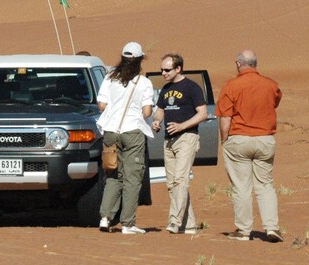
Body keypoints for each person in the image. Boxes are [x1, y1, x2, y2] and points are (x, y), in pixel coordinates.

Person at [219, 49, 284, 242]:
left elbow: (225, 118)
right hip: (265, 139)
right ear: (255, 63)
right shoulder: (271, 85)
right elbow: (275, 102)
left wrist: (225, 140)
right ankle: (272, 227)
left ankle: (244, 230)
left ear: (239, 64)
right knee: (265, 184)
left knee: (241, 186)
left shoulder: (231, 85)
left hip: (239, 139)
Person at [96, 41, 154, 235]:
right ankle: (128, 223)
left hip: (111, 132)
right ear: (139, 60)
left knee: (112, 174)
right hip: (132, 132)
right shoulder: (144, 82)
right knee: (132, 178)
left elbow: (102, 105)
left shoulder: (109, 78)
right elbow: (146, 112)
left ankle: (106, 217)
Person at [151, 53, 208, 235]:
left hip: (187, 138)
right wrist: (157, 121)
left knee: (180, 180)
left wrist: (182, 125)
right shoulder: (166, 89)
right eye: (161, 70)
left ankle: (175, 221)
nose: (163, 73)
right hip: (169, 140)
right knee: (172, 184)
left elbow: (203, 113)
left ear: (178, 69)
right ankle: (189, 224)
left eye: (167, 70)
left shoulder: (192, 87)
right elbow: (160, 110)